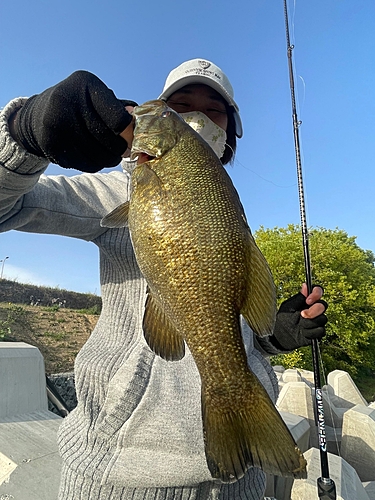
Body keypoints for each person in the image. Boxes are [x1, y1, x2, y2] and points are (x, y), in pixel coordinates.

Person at [0, 58, 327, 500]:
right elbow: (8, 207)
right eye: (178, 104)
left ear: (231, 133)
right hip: (122, 475)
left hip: (242, 479)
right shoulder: (121, 190)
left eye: (213, 109)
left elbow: (216, 320)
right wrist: (24, 135)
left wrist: (272, 338)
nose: (193, 116)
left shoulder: (227, 213)